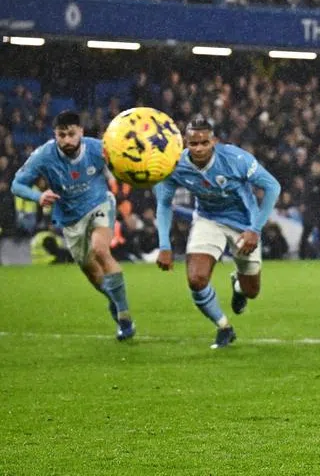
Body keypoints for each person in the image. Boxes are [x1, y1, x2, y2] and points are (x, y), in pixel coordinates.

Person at [154, 117, 282, 349]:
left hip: (244, 224)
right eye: (193, 144)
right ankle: (224, 327)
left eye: (204, 142)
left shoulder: (235, 159)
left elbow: (273, 186)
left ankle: (238, 286)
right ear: (185, 143)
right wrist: (164, 245)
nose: (199, 148)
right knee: (196, 279)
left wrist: (255, 229)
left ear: (214, 141)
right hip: (208, 219)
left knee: (251, 291)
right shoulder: (174, 165)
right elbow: (164, 204)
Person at [12, 111, 136, 340]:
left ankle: (125, 316)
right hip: (70, 218)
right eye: (62, 135)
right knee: (92, 272)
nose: (67, 140)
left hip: (100, 203)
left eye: (71, 134)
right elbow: (17, 185)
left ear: (81, 131)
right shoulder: (43, 156)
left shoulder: (99, 148)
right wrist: (37, 196)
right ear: (55, 135)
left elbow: (125, 168)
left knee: (100, 249)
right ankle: (114, 301)